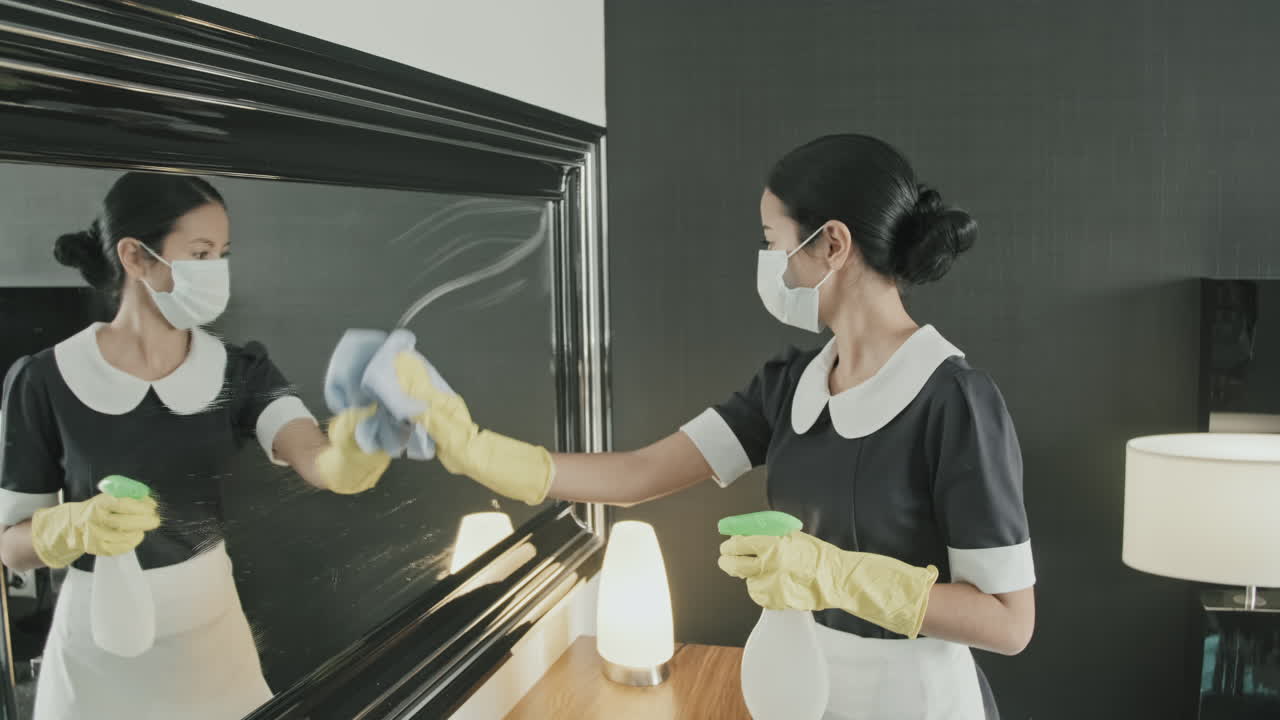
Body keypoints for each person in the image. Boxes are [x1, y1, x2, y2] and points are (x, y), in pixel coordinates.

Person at [389, 135, 1035, 719]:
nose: (771, 263)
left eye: (774, 241)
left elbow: (1010, 622)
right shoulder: (791, 385)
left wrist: (838, 575)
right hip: (808, 692)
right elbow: (640, 473)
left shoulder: (956, 402)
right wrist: (479, 450)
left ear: (832, 244)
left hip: (919, 702)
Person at [0, 172, 392, 720]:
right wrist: (71, 527)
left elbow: (311, 453)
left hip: (208, 636)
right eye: (201, 253)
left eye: (223, 253)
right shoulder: (45, 380)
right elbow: (10, 547)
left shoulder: (238, 369)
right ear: (136, 257)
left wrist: (354, 452)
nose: (218, 271)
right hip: (96, 644)